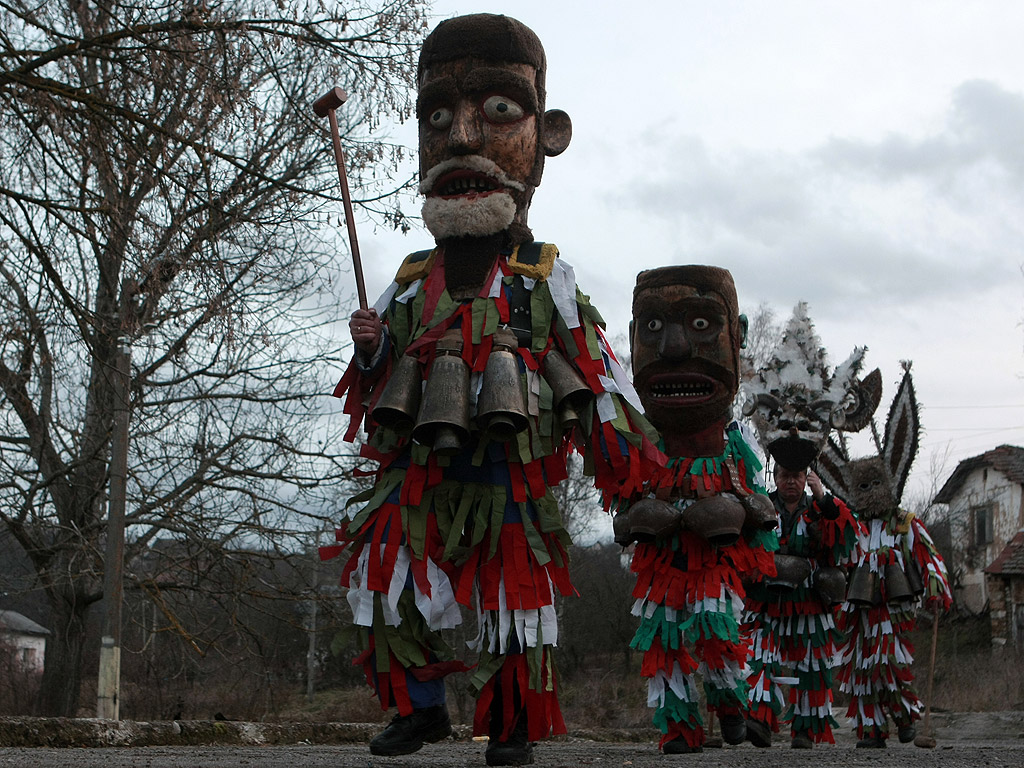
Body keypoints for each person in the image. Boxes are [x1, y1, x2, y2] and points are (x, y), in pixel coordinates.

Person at [321, 14, 660, 766]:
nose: (463, 136)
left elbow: (598, 377)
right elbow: (373, 384)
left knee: (518, 600)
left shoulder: (547, 277)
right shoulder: (410, 281)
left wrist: (631, 472)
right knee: (383, 574)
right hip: (420, 470)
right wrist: (372, 353)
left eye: (499, 111)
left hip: (511, 468)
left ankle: (508, 723)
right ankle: (421, 709)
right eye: (437, 117)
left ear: (547, 135)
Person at [615, 265, 777, 754]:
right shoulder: (642, 442)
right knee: (661, 634)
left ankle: (731, 703)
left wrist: (739, 513)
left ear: (737, 336)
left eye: (702, 325)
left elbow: (759, 503)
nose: (674, 348)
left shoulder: (735, 443)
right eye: (654, 327)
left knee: (715, 627)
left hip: (714, 558)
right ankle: (680, 729)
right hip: (662, 558)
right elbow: (622, 498)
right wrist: (633, 515)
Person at [824, 368, 953, 748]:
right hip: (859, 610)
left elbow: (926, 552)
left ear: (890, 481)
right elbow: (839, 557)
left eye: (874, 484)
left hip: (893, 609)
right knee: (861, 668)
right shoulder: (853, 527)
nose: (868, 492)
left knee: (889, 663)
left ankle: (905, 715)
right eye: (860, 486)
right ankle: (870, 728)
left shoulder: (902, 523)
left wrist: (935, 584)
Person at [743, 460, 860, 749]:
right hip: (767, 597)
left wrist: (823, 496)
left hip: (809, 595)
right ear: (776, 477)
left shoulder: (820, 506)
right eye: (785, 475)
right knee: (759, 653)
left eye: (796, 475)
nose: (790, 481)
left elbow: (847, 537)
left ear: (805, 477)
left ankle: (805, 729)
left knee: (812, 662)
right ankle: (759, 720)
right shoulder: (762, 505)